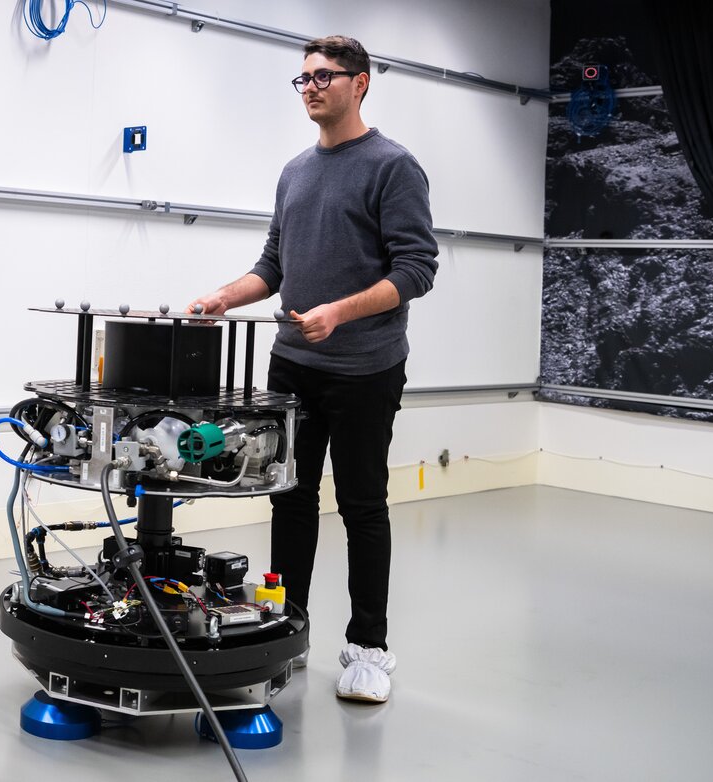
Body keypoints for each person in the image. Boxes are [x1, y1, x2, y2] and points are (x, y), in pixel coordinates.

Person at [188, 35, 438, 703]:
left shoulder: (393, 167)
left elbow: (416, 270)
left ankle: (369, 650)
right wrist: (221, 295)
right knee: (290, 501)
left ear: (361, 83)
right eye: (302, 78)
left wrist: (342, 313)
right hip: (292, 365)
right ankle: (285, 627)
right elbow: (274, 265)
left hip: (364, 368)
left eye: (324, 76)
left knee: (362, 506)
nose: (311, 87)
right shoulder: (295, 171)